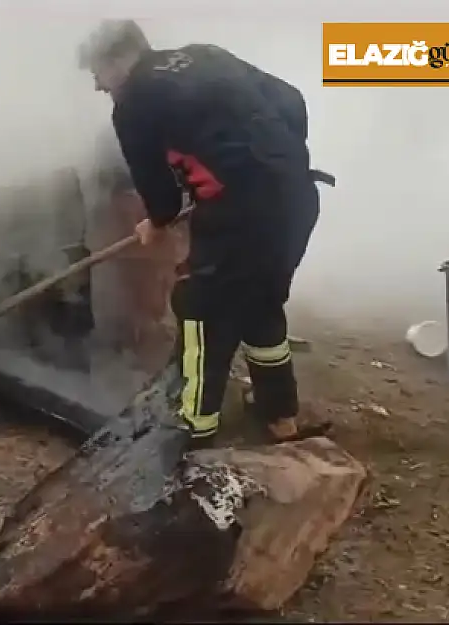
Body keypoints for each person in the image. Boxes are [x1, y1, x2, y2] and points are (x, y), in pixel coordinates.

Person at [77, 20, 329, 447]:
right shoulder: (205, 55)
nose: (99, 87)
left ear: (121, 59)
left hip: (241, 214)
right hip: (297, 198)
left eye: (98, 73)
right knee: (260, 302)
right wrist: (271, 164)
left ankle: (193, 427)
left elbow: (159, 194)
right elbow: (290, 102)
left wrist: (156, 222)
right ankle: (279, 417)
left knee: (198, 306)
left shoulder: (135, 101)